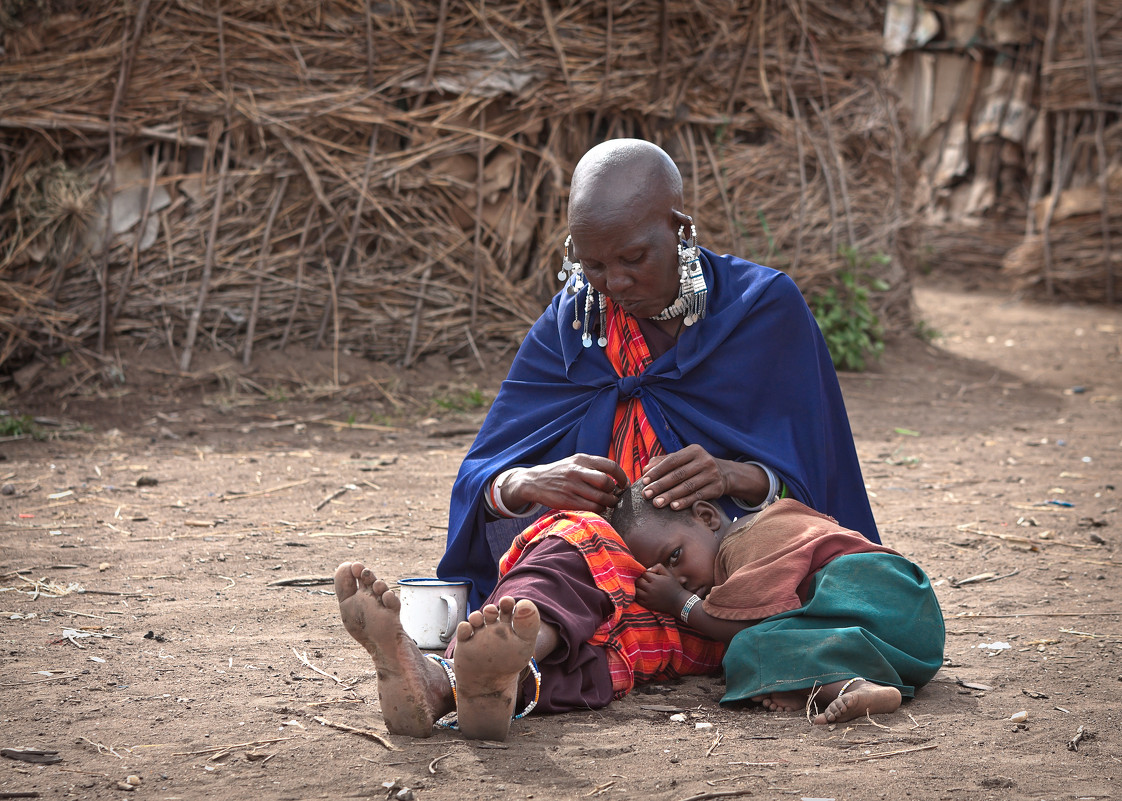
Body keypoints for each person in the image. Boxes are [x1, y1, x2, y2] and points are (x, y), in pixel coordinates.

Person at [335, 138, 881, 740]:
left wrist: (736, 475)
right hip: (608, 573)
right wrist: (525, 482)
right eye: (592, 266)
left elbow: (820, 480)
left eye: (633, 258)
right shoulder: (571, 327)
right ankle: (461, 682)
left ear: (678, 228)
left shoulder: (762, 311)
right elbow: (488, 470)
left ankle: (455, 677)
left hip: (719, 580)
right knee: (584, 566)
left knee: (584, 567)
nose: (613, 282)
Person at [609, 484, 945, 725]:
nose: (677, 578)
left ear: (707, 516)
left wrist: (680, 602)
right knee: (774, 640)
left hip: (870, 592)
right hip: (917, 640)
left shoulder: (740, 543)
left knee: (747, 647)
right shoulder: (776, 519)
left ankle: (853, 687)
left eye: (675, 556)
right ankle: (814, 687)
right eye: (662, 571)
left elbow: (744, 628)